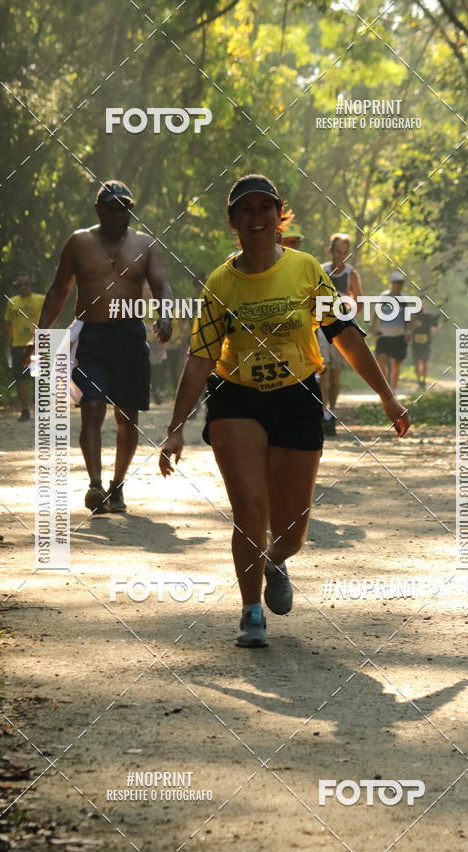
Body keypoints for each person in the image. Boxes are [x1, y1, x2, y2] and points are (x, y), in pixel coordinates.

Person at [159, 174, 410, 649]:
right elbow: (200, 359)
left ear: (279, 215)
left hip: (296, 396)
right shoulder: (220, 284)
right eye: (245, 210)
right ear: (233, 221)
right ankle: (250, 611)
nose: (256, 218)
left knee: (292, 531)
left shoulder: (306, 269)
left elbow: (346, 335)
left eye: (264, 208)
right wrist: (175, 429)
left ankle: (274, 560)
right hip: (236, 397)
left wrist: (386, 395)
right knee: (249, 508)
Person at [25, 180, 172, 514]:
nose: (120, 215)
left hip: (130, 337)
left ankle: (117, 487)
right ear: (98, 210)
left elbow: (162, 286)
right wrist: (40, 335)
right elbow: (58, 290)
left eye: (125, 209)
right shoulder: (79, 242)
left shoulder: (145, 244)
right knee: (92, 408)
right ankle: (95, 486)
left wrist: (166, 316)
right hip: (91, 336)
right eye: (112, 209)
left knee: (127, 417)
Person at [318, 233, 363, 435]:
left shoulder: (351, 274)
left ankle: (332, 412)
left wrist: (348, 314)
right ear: (330, 250)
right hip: (322, 326)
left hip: (341, 326)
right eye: (338, 251)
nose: (341, 256)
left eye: (345, 252)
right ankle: (322, 414)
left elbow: (359, 301)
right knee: (324, 371)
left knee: (335, 374)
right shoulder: (322, 270)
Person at [4, 273, 44, 421]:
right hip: (18, 345)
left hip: (37, 344)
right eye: (20, 285)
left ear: (31, 285)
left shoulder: (41, 299)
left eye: (26, 284)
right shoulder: (12, 302)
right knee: (21, 378)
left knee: (39, 376)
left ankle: (42, 408)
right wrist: (7, 344)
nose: (23, 287)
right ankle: (25, 410)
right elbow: (8, 324)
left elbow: (49, 318)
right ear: (17, 287)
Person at [373, 271, 410, 393]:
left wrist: (408, 332)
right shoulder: (383, 297)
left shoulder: (404, 299)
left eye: (401, 283)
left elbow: (408, 318)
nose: (400, 285)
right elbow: (375, 315)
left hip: (399, 336)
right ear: (392, 283)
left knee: (396, 364)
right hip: (384, 335)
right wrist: (374, 329)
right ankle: (385, 389)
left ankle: (393, 390)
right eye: (398, 282)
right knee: (381, 361)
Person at [410, 300, 440, 390]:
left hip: (427, 342)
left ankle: (423, 381)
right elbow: (407, 327)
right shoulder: (413, 316)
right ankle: (419, 381)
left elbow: (437, 325)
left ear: (425, 306)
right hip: (415, 343)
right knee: (416, 363)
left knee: (425, 362)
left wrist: (434, 330)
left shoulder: (430, 316)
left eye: (422, 304)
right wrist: (414, 326)